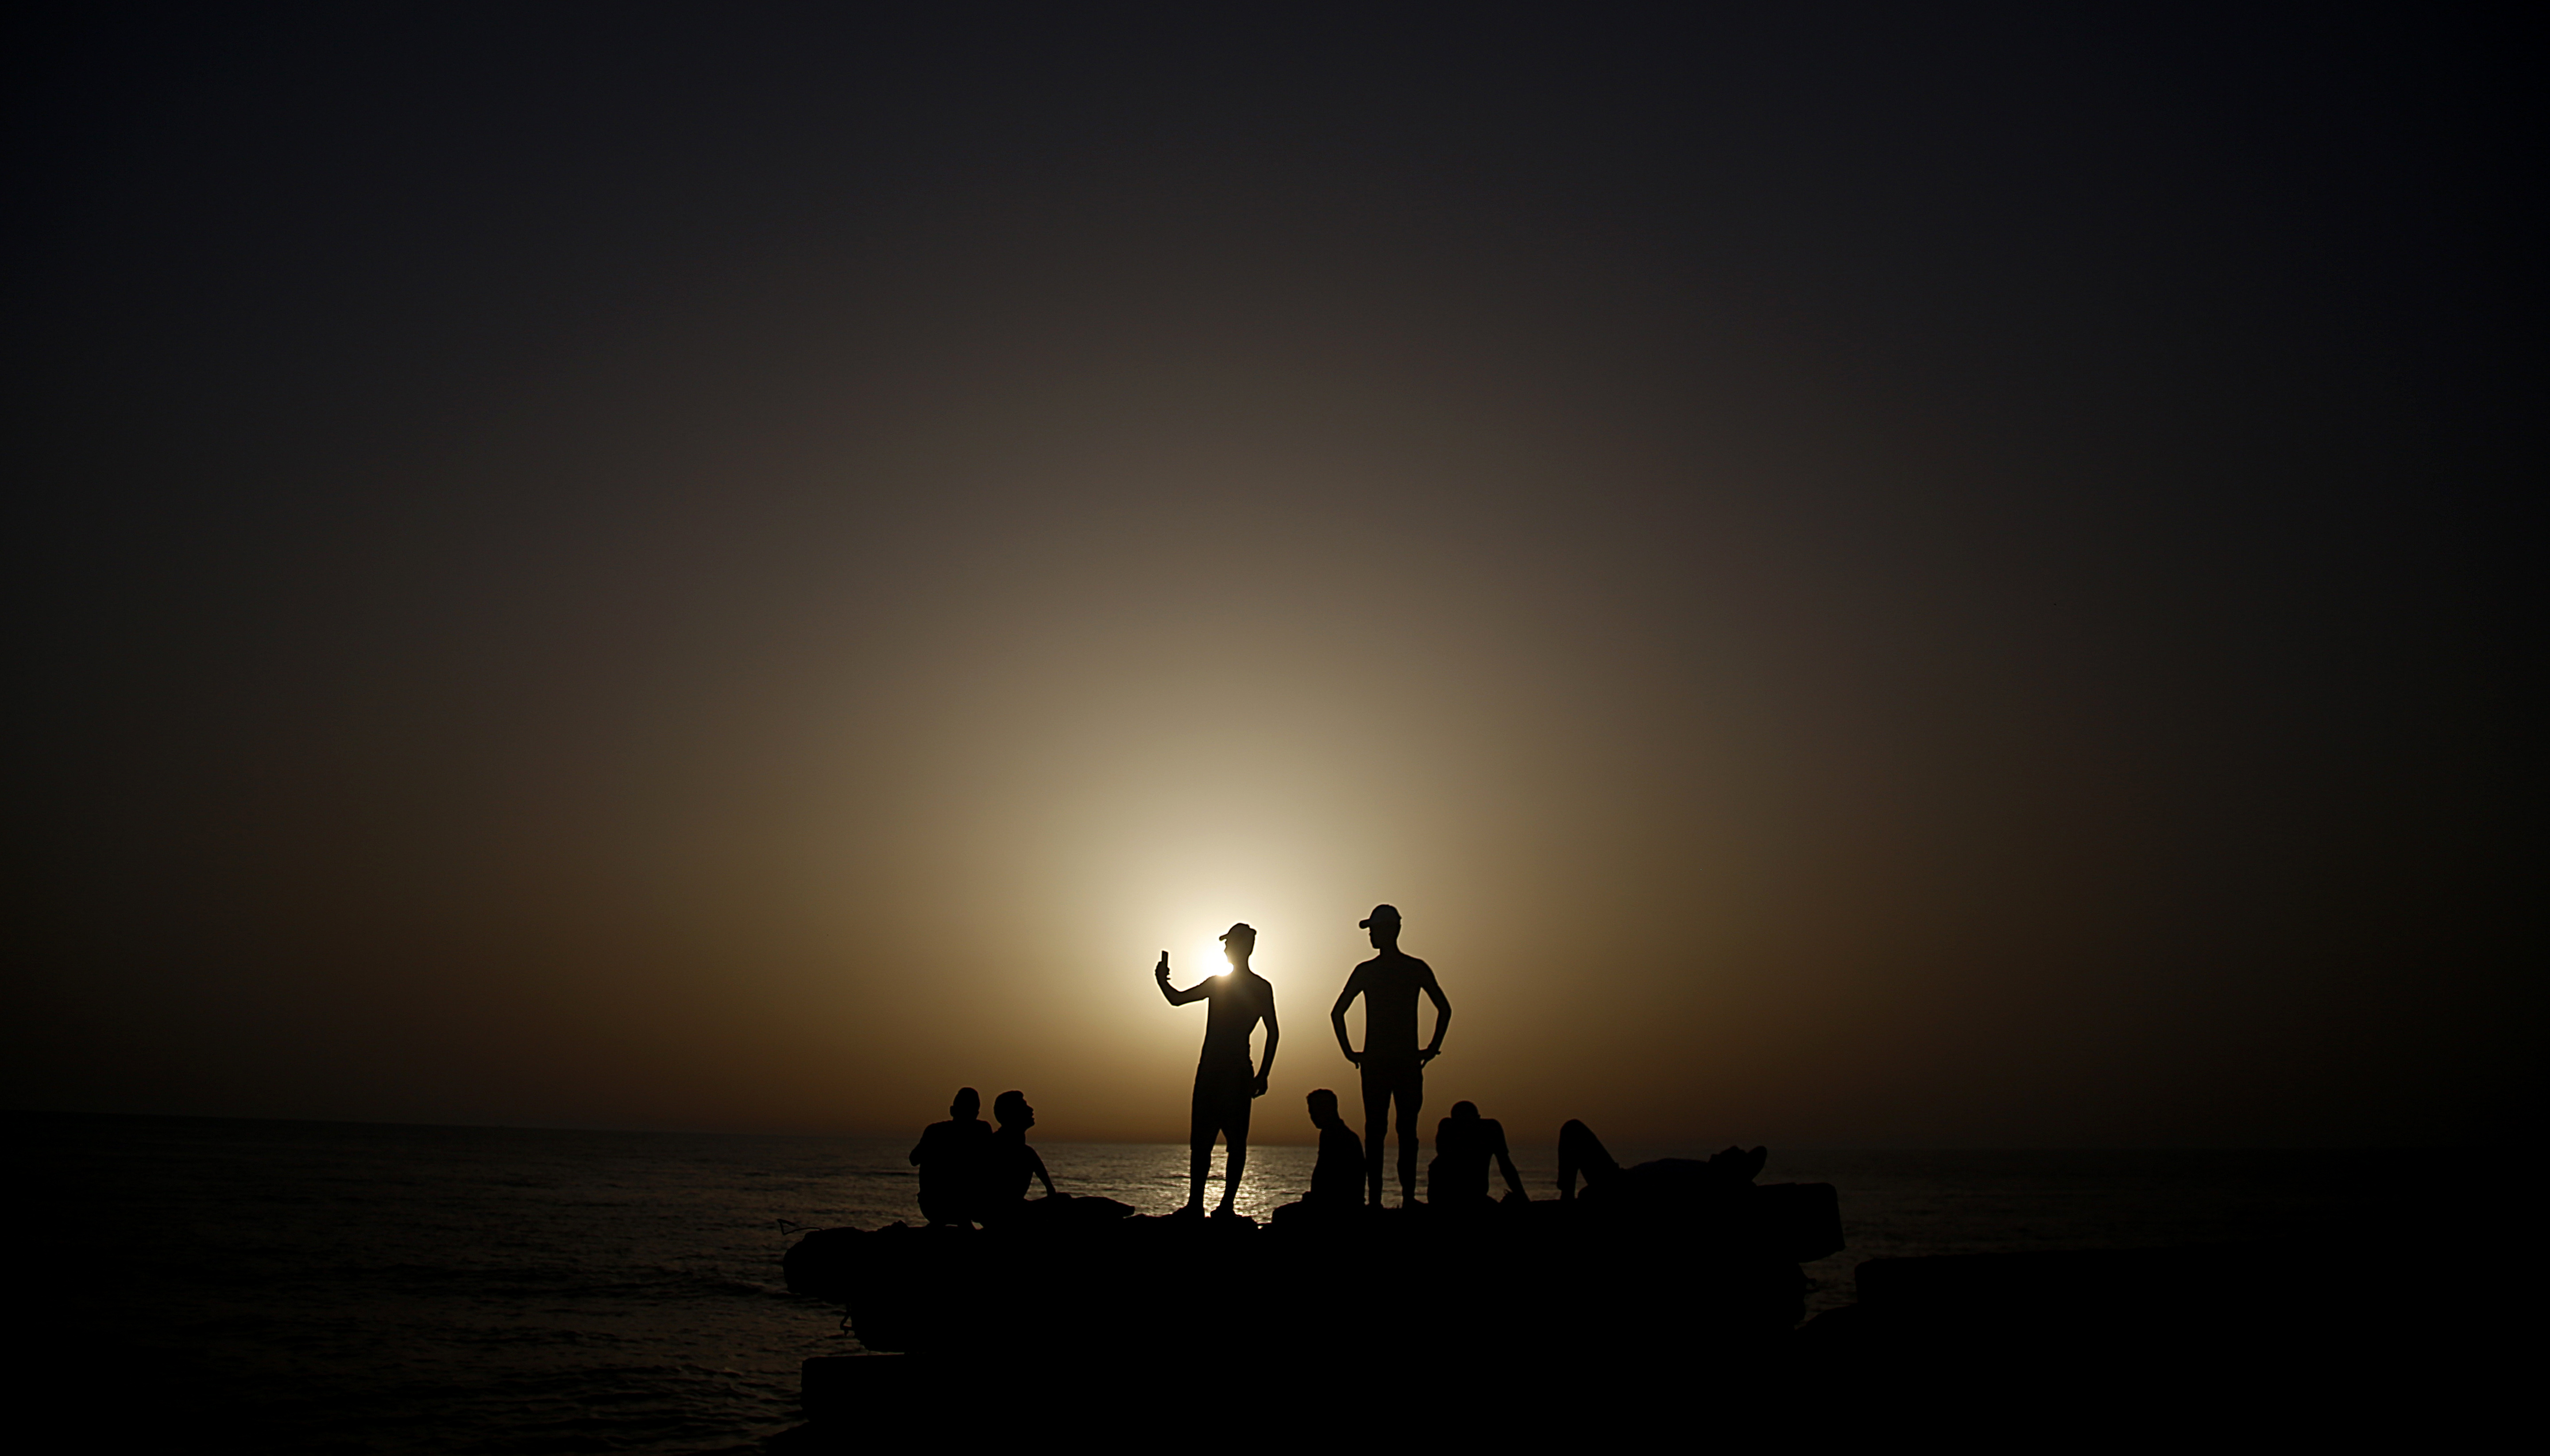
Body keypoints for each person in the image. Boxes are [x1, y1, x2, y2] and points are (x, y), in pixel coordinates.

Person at [1328, 904, 1449, 1207]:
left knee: (1379, 1131)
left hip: (1380, 1062)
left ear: (1390, 930)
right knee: (1403, 1131)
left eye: (1374, 929)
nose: (1370, 934)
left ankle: (1380, 1200)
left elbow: (1337, 1012)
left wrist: (1351, 1052)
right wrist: (1431, 1048)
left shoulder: (1370, 971)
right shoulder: (1413, 968)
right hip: (1403, 1061)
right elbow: (1444, 1009)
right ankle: (1402, 1199)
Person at [1155, 923, 1280, 1217]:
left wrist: (1263, 1074)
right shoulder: (1255, 986)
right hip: (1230, 1070)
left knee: (1219, 1142)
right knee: (1218, 1142)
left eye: (1229, 944)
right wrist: (1263, 1074)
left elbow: (1176, 999)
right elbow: (1273, 1033)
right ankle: (1208, 1206)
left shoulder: (1230, 984)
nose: (1224, 949)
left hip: (1223, 1071)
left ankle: (1212, 1206)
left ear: (1241, 947)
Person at [1556, 1119, 1766, 1205]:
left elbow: (1759, 1155)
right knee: (1573, 1130)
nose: (1730, 1148)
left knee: (1573, 1129)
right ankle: (1567, 1195)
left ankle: (1566, 1197)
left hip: (1621, 1187)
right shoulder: (1703, 1172)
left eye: (1736, 1153)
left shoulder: (1706, 1180)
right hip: (1621, 1181)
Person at [908, 1087, 992, 1226]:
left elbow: (914, 1159)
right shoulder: (981, 1130)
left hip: (936, 1205)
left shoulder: (935, 1131)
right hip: (953, 1204)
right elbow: (914, 1159)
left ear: (952, 1110)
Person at [1425, 1100, 1526, 1211]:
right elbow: (1443, 1159)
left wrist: (1522, 1196)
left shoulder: (1490, 1129)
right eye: (1462, 1122)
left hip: (1472, 1196)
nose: (1466, 1127)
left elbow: (1506, 1166)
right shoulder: (1448, 1127)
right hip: (1446, 1196)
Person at [982, 1089, 1060, 1218]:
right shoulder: (997, 1147)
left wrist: (1050, 1190)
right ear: (1011, 1114)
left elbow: (1044, 1178)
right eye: (1024, 1106)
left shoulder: (1025, 1152)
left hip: (1014, 1208)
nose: (1031, 1109)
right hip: (1003, 1213)